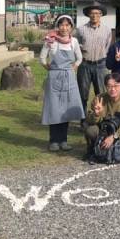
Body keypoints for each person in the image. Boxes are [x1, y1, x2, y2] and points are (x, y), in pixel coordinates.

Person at [40, 14, 84, 151]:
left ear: (71, 27)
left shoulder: (74, 41)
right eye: (61, 24)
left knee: (66, 110)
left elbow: (80, 58)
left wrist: (75, 66)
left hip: (69, 78)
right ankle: (53, 141)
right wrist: (49, 68)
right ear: (57, 26)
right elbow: (42, 58)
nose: (64, 28)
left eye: (67, 25)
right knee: (54, 109)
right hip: (54, 78)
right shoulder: (51, 40)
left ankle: (63, 141)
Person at [84, 72, 120, 160]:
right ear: (105, 87)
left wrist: (114, 136)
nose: (112, 89)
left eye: (116, 86)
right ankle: (94, 147)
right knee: (90, 130)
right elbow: (89, 120)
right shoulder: (99, 99)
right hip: (103, 131)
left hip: (119, 130)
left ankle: (118, 148)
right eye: (109, 86)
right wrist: (97, 113)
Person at [76, 2, 112, 122]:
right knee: (83, 94)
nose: (94, 15)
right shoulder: (81, 30)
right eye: (92, 13)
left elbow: (107, 47)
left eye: (97, 13)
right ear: (88, 15)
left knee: (101, 94)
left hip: (101, 65)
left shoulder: (107, 31)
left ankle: (100, 120)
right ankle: (83, 120)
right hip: (85, 65)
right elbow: (77, 46)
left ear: (101, 14)